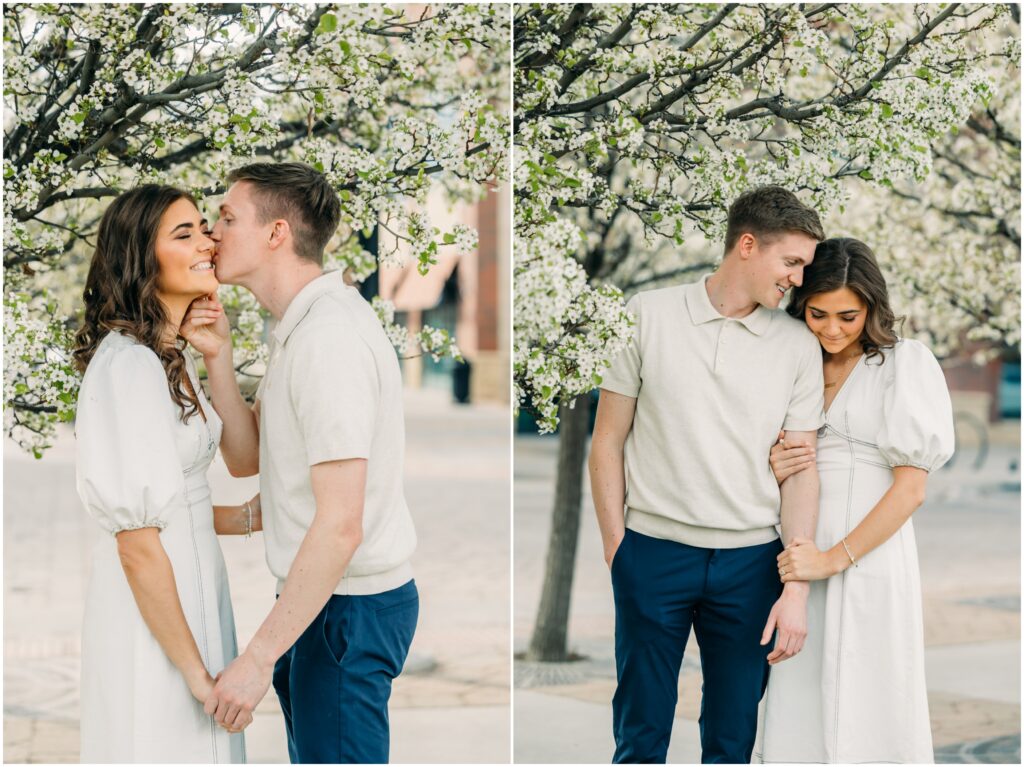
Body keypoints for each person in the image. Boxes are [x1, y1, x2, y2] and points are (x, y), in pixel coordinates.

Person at [180, 162, 418, 764]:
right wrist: (219, 358)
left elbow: (341, 524)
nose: (212, 233)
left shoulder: (327, 340)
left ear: (276, 233)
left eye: (228, 218)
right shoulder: (301, 327)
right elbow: (249, 460)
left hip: (347, 610)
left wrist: (257, 659)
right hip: (324, 603)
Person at [589, 185, 827, 764]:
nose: (798, 280)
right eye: (791, 262)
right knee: (639, 733)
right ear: (747, 245)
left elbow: (800, 473)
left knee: (731, 736)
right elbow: (607, 442)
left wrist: (794, 586)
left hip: (749, 565)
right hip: (652, 553)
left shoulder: (799, 346)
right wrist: (617, 547)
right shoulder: (646, 314)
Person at [73, 185, 260, 763]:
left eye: (205, 226)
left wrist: (217, 355)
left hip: (198, 594)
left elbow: (242, 460)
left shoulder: (165, 358)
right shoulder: (127, 367)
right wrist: (196, 674)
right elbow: (136, 541)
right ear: (140, 257)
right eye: (184, 233)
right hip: (155, 617)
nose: (208, 240)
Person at [756, 237, 955, 763]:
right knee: (796, 695)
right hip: (796, 557)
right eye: (818, 314)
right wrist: (776, 468)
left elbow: (910, 489)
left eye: (848, 315)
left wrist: (832, 559)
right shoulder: (792, 363)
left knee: (870, 698)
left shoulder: (902, 365)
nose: (832, 329)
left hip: (867, 559)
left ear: (871, 307)